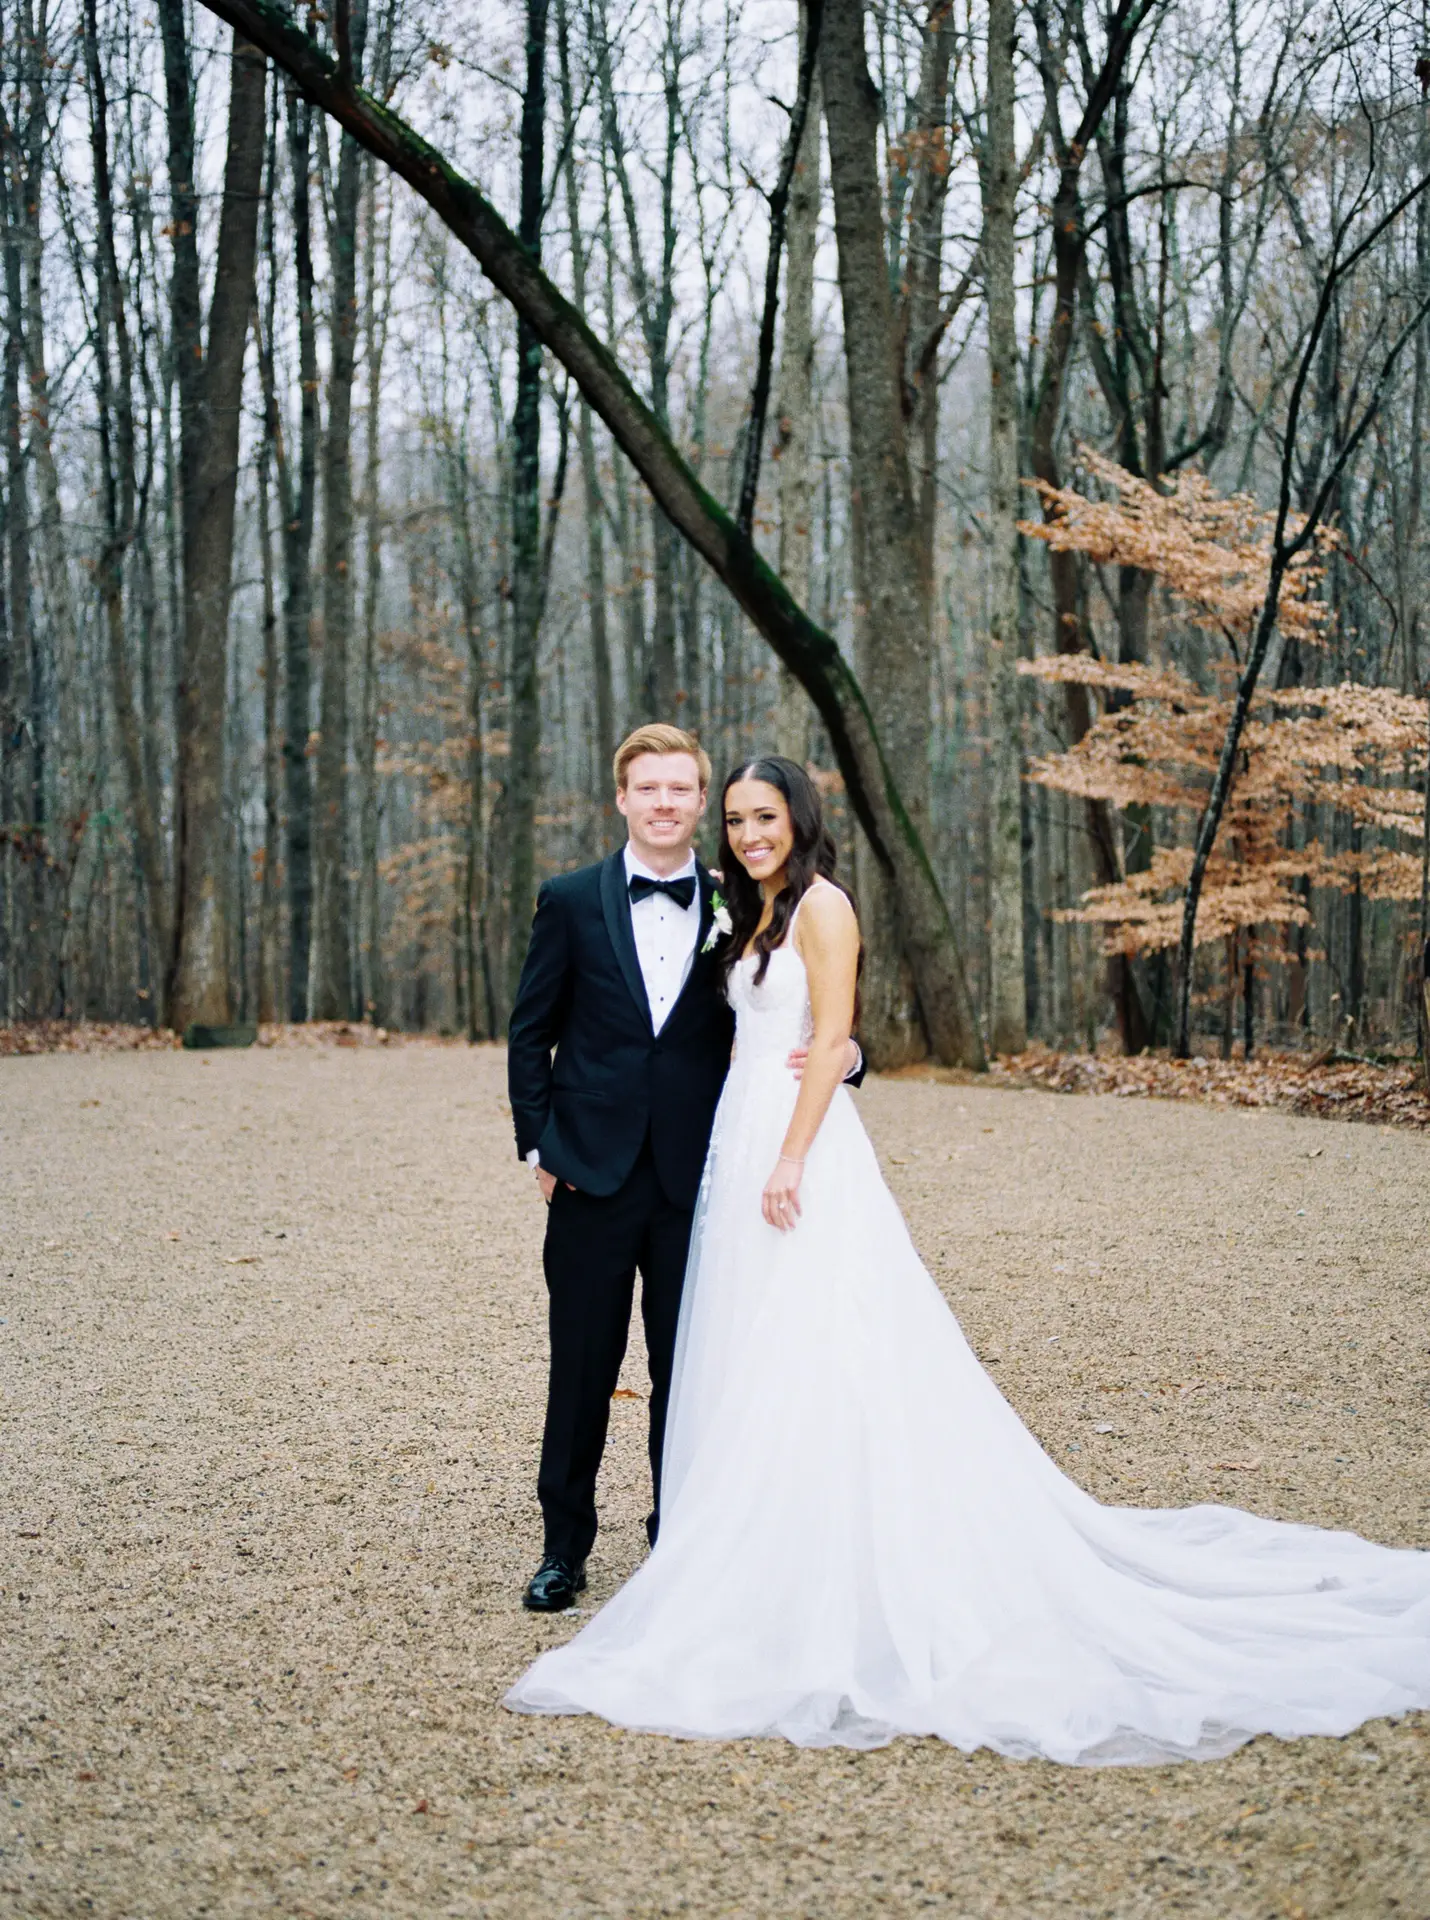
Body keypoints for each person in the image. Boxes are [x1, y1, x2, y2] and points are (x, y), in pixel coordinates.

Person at [505, 755, 1430, 1764]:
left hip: (774, 1154)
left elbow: (834, 1034)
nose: (740, 830)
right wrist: (541, 1143)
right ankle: (601, 1545)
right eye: (731, 816)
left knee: (791, 1345)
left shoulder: (816, 904)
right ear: (637, 805)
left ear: (795, 817)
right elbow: (557, 1030)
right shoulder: (728, 910)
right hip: (668, 1157)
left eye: (754, 814)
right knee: (682, 1356)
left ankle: (724, 1543)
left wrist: (798, 1140)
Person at [506, 726, 862, 1614]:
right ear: (621, 799)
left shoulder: (739, 905)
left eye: (681, 790)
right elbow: (529, 1033)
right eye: (648, 789)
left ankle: (680, 1535)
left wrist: (850, 1055)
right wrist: (540, 1147)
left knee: (691, 1369)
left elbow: (807, 1015)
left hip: (700, 1181)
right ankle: (563, 1548)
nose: (665, 804)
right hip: (589, 1175)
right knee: (581, 1369)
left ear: (701, 804)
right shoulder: (571, 900)